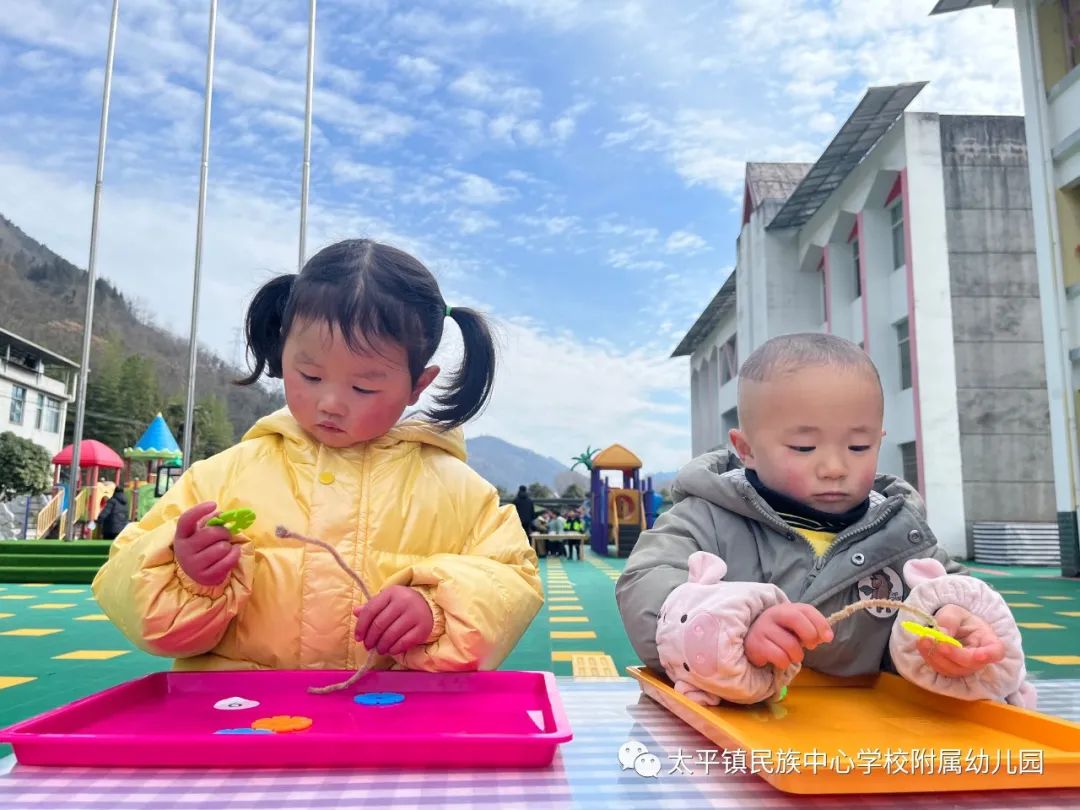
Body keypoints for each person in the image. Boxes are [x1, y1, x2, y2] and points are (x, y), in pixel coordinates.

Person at [92, 239, 543, 672]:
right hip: (239, 724)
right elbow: (124, 584)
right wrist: (186, 572)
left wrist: (438, 609)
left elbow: (511, 581)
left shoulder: (459, 493)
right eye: (308, 375)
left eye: (363, 387)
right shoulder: (223, 477)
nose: (330, 402)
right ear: (282, 351)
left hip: (389, 726)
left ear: (417, 386)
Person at [616, 333, 1034, 708]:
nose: (834, 467)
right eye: (803, 447)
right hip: (733, 730)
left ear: (879, 441)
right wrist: (734, 627)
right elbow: (645, 584)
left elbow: (954, 595)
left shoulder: (902, 534)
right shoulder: (707, 517)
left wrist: (954, 635)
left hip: (866, 740)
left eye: (858, 446)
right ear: (746, 449)